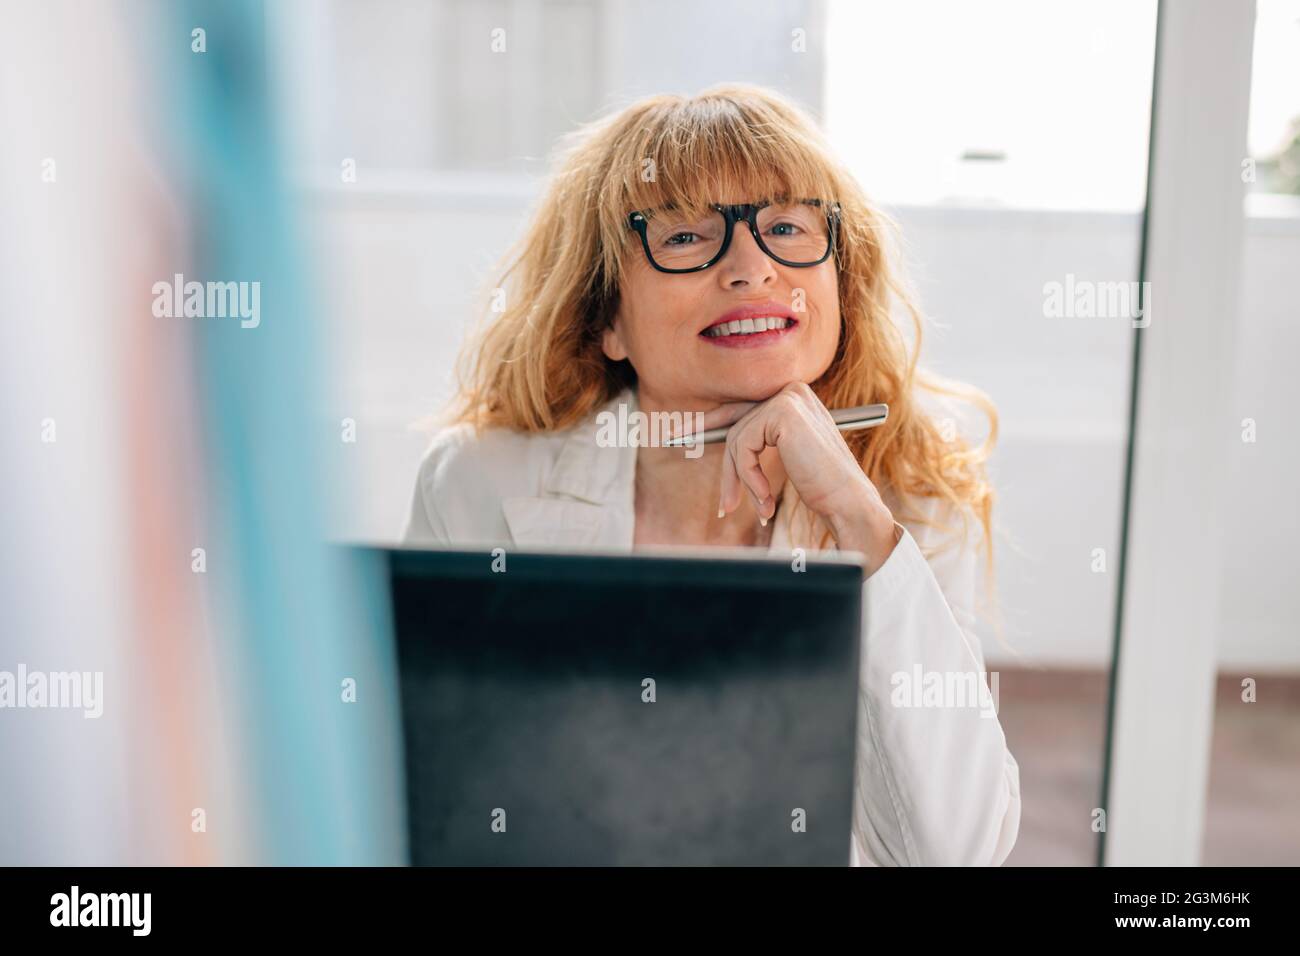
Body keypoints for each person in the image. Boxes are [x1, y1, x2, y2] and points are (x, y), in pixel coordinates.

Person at [404, 83, 1020, 866]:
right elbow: (428, 799)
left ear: (840, 280)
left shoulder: (905, 503)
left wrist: (861, 529)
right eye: (688, 236)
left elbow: (957, 851)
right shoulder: (476, 482)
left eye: (788, 226)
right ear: (607, 319)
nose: (752, 267)